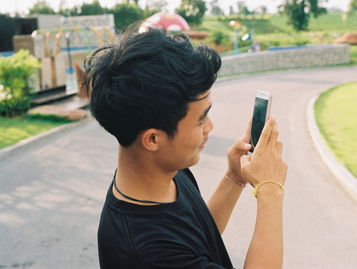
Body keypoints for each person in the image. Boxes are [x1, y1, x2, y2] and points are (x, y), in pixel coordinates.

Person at [85, 27, 288, 269]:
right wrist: (271, 190)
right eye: (201, 119)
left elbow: (196, 241)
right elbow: (175, 248)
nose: (210, 127)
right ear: (152, 139)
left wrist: (234, 178)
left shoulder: (161, 173)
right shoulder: (146, 253)